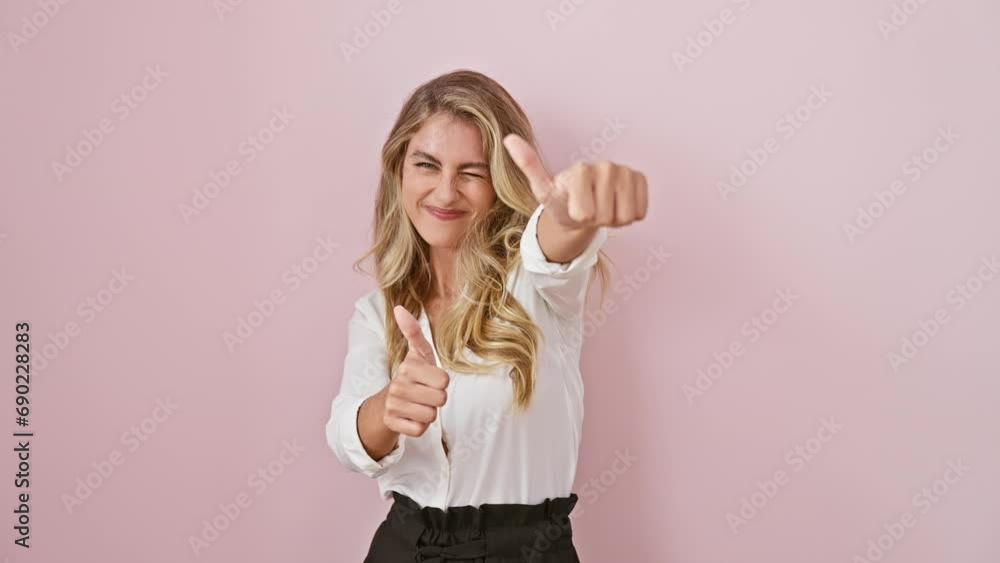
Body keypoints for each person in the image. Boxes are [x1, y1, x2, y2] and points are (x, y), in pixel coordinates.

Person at [325, 69, 648, 562]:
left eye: (472, 172)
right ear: (399, 171)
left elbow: (557, 248)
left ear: (501, 181)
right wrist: (390, 405)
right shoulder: (377, 313)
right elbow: (349, 441)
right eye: (427, 165)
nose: (446, 192)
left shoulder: (535, 288)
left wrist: (576, 212)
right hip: (403, 546)